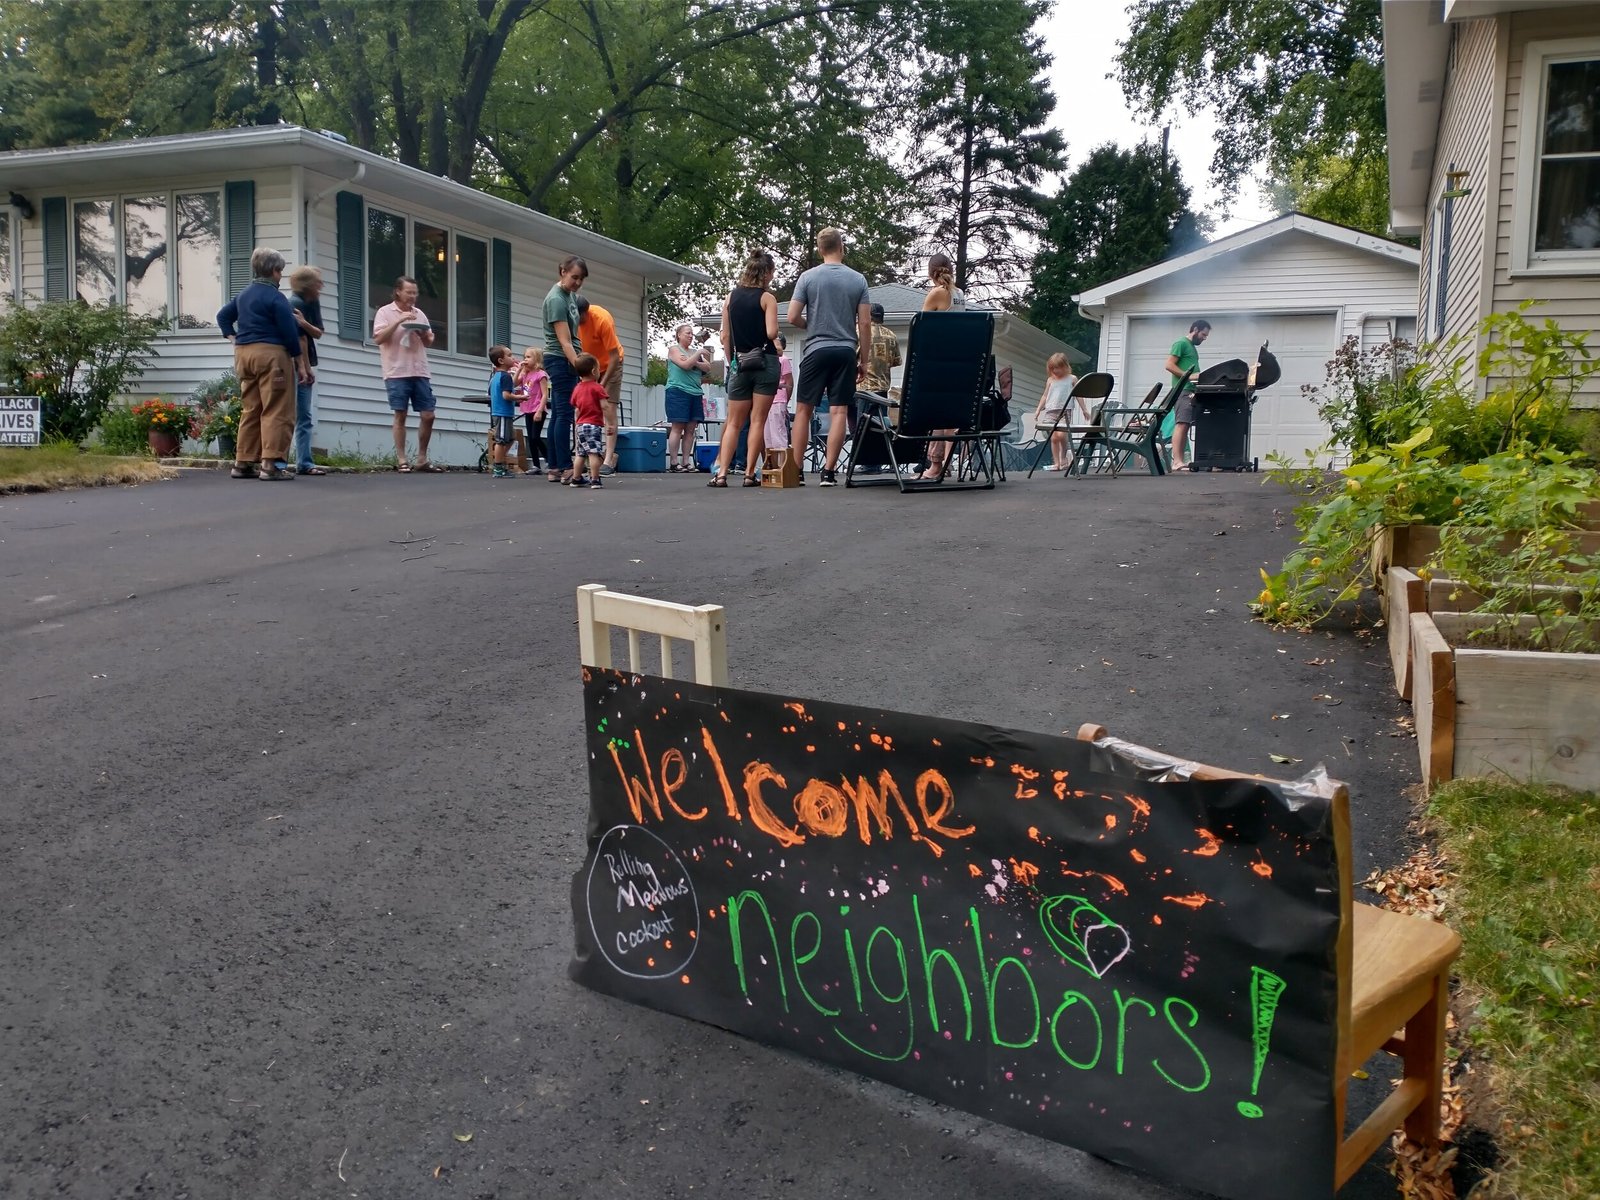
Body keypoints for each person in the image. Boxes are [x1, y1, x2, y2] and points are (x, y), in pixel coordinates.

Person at [786, 227, 870, 486]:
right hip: (845, 351)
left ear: (820, 249)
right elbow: (865, 324)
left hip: (816, 350)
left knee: (802, 411)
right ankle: (829, 473)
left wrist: (811, 326)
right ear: (841, 247)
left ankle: (796, 472)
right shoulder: (858, 280)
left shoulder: (808, 278)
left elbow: (791, 316)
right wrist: (863, 360)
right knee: (839, 412)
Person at [217, 247, 304, 481]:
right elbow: (289, 331)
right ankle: (271, 465)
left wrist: (233, 338)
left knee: (251, 408)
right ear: (275, 271)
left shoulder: (244, 294)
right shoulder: (276, 298)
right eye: (280, 271)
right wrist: (299, 361)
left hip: (244, 355)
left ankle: (242, 462)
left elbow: (223, 316)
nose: (281, 276)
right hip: (272, 355)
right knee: (277, 409)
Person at [708, 249, 782, 488]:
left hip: (740, 365)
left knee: (733, 423)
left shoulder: (730, 298)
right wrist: (777, 343)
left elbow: (725, 335)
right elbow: (771, 333)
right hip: (765, 362)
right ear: (767, 273)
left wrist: (732, 362)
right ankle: (750, 473)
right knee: (758, 420)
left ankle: (721, 474)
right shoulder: (767, 298)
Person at [372, 276, 440, 472]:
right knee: (400, 414)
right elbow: (378, 338)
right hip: (396, 371)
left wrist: (423, 334)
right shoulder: (385, 312)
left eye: (415, 292)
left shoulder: (419, 314)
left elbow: (428, 342)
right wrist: (399, 322)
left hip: (419, 369)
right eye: (409, 292)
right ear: (398, 292)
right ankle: (402, 459)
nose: (413, 296)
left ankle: (421, 459)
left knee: (428, 415)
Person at [917, 253, 966, 480]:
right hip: (960, 365)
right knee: (951, 417)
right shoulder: (960, 295)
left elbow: (922, 332)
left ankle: (937, 465)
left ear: (931, 273)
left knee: (937, 414)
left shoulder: (936, 294)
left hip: (939, 365)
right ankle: (945, 463)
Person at [543, 255, 588, 484]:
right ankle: (565, 466)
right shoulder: (556, 299)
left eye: (581, 279)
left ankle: (553, 467)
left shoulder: (570, 296)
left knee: (559, 415)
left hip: (566, 359)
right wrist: (580, 368)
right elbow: (565, 341)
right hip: (561, 359)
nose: (577, 283)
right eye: (574, 277)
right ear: (562, 271)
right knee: (565, 415)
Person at [575, 295, 625, 475]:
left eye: (578, 316)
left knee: (608, 407)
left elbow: (614, 357)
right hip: (588, 365)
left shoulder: (602, 320)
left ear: (585, 313)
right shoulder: (569, 320)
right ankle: (582, 454)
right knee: (582, 406)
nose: (576, 320)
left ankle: (609, 458)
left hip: (610, 364)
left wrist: (601, 385)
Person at [287, 265, 327, 475]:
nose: (321, 287)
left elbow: (317, 333)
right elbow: (299, 339)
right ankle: (283, 462)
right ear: (307, 285)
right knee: (294, 414)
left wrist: (304, 323)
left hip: (305, 363)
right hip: (293, 364)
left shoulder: (312, 302)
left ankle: (304, 462)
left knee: (304, 415)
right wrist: (305, 368)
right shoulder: (294, 303)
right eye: (318, 283)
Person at [1165, 319, 1212, 472]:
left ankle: (1181, 461)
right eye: (1203, 334)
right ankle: (1176, 461)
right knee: (1181, 424)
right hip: (1182, 390)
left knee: (1186, 425)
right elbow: (1169, 365)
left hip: (1191, 391)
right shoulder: (1181, 343)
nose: (1205, 338)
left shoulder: (1192, 348)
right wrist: (1187, 376)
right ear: (1195, 329)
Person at [664, 323, 710, 473]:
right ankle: (673, 462)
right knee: (677, 426)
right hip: (678, 391)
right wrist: (697, 357)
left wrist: (694, 360)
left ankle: (686, 461)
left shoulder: (694, 352)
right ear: (679, 335)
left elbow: (707, 367)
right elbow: (684, 365)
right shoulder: (674, 350)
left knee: (691, 428)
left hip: (695, 392)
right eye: (687, 333)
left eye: (691, 333)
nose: (690, 336)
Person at [1032, 352, 1084, 473]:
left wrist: (1084, 410)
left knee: (1061, 435)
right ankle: (1056, 463)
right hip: (1051, 411)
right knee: (1054, 438)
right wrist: (1038, 410)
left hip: (1065, 411)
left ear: (1065, 366)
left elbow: (1079, 395)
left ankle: (1063, 458)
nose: (1055, 370)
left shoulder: (1072, 379)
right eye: (1052, 368)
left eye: (1058, 368)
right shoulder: (1050, 380)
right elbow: (1045, 395)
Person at [570, 353, 608, 489]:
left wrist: (577, 424)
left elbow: (577, 410)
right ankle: (595, 479)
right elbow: (604, 406)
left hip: (580, 425)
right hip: (593, 425)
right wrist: (609, 422)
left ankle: (576, 478)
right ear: (593, 371)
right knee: (593, 453)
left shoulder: (577, 389)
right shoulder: (597, 388)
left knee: (580, 454)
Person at [513, 346, 550, 477]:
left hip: (538, 409)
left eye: (529, 357)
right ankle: (536, 465)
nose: (526, 359)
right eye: (525, 357)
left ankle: (549, 460)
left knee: (535, 436)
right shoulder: (525, 374)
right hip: (528, 408)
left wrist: (540, 410)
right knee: (531, 438)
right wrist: (519, 370)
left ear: (537, 359)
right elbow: (514, 384)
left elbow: (545, 394)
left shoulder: (541, 374)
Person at [486, 345, 520, 478]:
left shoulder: (496, 376)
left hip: (499, 412)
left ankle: (499, 461)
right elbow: (506, 395)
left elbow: (512, 384)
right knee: (501, 440)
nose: (513, 358)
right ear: (501, 360)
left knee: (510, 438)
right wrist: (520, 397)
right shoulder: (505, 376)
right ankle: (498, 467)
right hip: (503, 412)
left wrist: (520, 369)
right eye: (510, 355)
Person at [763, 333, 793, 455]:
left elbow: (789, 382)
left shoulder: (783, 360)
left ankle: (783, 465)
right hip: (765, 399)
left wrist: (786, 400)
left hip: (778, 400)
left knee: (778, 433)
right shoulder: (766, 359)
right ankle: (771, 464)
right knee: (767, 435)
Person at [862, 302, 900, 394]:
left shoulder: (859, 332)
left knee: (863, 409)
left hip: (863, 388)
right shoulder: (892, 335)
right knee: (881, 408)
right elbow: (896, 361)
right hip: (883, 388)